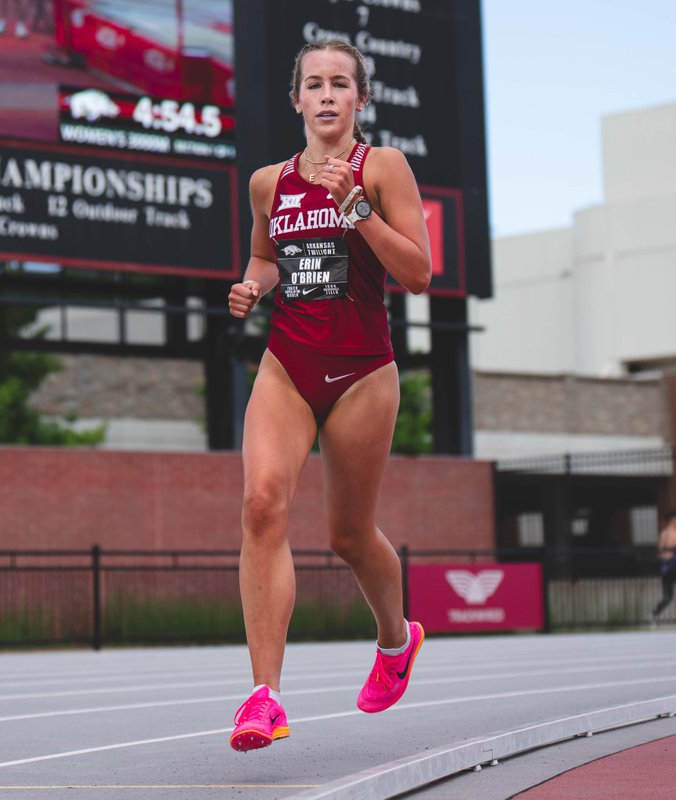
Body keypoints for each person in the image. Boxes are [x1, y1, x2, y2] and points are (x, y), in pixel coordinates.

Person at [225, 40, 433, 752]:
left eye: (339, 83)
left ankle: (396, 640)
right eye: (312, 84)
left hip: (363, 374)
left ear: (357, 100)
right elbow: (264, 254)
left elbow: (419, 274)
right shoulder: (266, 183)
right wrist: (254, 287)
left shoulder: (383, 168)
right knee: (260, 504)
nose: (325, 94)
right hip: (288, 363)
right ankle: (264, 697)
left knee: (348, 535)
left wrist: (358, 210)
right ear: (297, 101)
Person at [652, 511, 676, 624]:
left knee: (667, 596)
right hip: (675, 566)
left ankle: (656, 613)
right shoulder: (675, 533)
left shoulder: (663, 533)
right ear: (674, 519)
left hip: (665, 567)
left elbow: (661, 551)